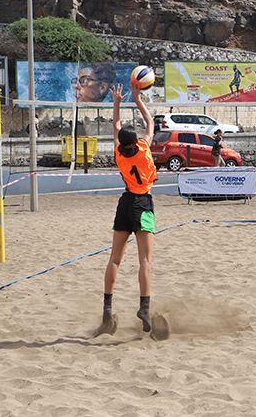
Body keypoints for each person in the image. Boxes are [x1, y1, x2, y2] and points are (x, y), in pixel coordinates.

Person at [98, 81, 159, 336]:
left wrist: (116, 103)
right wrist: (137, 97)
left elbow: (116, 127)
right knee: (145, 260)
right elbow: (150, 123)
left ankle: (107, 311)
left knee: (115, 259)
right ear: (136, 141)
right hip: (142, 203)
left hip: (124, 204)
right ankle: (144, 308)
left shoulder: (119, 153)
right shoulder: (143, 150)